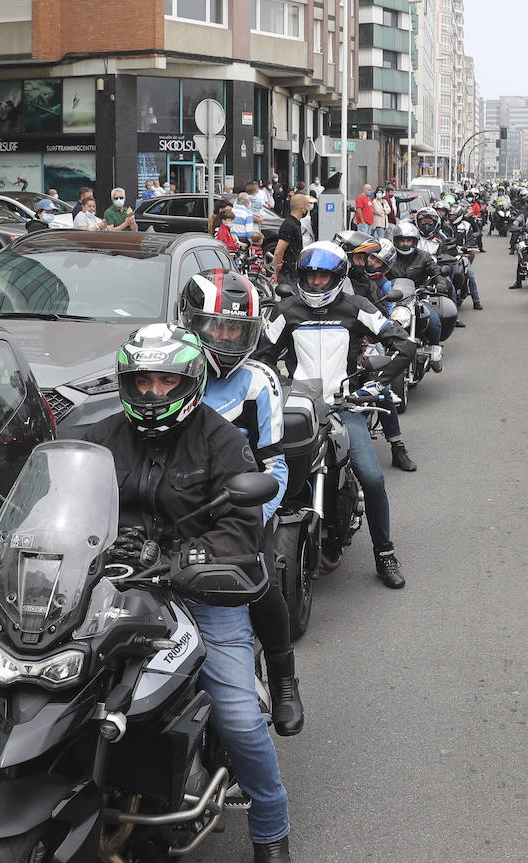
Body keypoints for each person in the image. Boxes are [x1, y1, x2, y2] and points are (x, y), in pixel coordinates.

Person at [82, 324, 296, 863]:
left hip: (197, 590)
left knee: (237, 714)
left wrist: (190, 559)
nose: (152, 392)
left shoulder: (220, 440)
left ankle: (270, 833)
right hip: (113, 589)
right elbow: (65, 497)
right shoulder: (102, 435)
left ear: (189, 380)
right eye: (142, 380)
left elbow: (242, 523)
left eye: (164, 379)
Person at [178, 271, 305, 737]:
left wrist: (250, 520)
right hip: (176, 506)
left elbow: (276, 466)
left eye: (237, 329)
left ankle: (284, 679)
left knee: (263, 582)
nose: (228, 339)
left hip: (241, 509)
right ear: (191, 322)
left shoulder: (258, 381)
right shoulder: (169, 370)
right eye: (218, 327)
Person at [256, 243, 415, 588]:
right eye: (310, 275)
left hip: (345, 409)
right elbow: (260, 357)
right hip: (299, 410)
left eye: (323, 276)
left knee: (372, 479)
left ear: (337, 277)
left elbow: (404, 345)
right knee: (268, 476)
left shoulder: (356, 307)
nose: (315, 283)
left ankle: (384, 554)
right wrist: (280, 386)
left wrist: (374, 386)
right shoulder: (286, 312)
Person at [334, 230, 420, 470]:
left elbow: (378, 317)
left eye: (366, 259)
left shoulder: (367, 284)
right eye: (361, 258)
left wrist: (382, 331)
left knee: (379, 389)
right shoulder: (318, 284)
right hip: (327, 348)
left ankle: (397, 446)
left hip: (359, 344)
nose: (365, 264)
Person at [387, 221, 452, 351]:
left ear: (415, 242)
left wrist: (440, 283)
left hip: (418, 298)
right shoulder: (389, 256)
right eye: (402, 241)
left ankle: (434, 351)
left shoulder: (424, 256)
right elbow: (380, 272)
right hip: (391, 299)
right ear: (396, 241)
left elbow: (436, 272)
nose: (405, 244)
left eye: (408, 241)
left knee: (434, 323)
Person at [271, 194, 312, 287]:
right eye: (307, 207)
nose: (307, 210)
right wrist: (276, 273)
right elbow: (278, 252)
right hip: (288, 275)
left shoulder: (294, 223)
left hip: (293, 272)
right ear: (302, 207)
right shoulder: (289, 225)